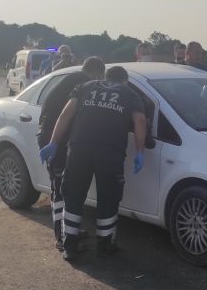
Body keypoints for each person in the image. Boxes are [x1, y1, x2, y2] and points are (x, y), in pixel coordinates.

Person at [39, 66, 147, 261]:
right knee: (108, 196)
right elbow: (139, 120)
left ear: (105, 78)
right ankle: (105, 245)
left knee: (73, 195)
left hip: (79, 148)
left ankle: (69, 247)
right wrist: (140, 151)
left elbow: (65, 115)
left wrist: (54, 143)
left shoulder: (85, 86)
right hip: (110, 151)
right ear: (124, 81)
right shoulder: (129, 93)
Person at [36, 57, 106, 251]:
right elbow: (68, 115)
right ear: (97, 73)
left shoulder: (69, 79)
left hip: (52, 136)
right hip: (55, 139)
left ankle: (68, 231)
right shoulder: (82, 84)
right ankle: (61, 236)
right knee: (60, 188)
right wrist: (54, 143)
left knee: (64, 187)